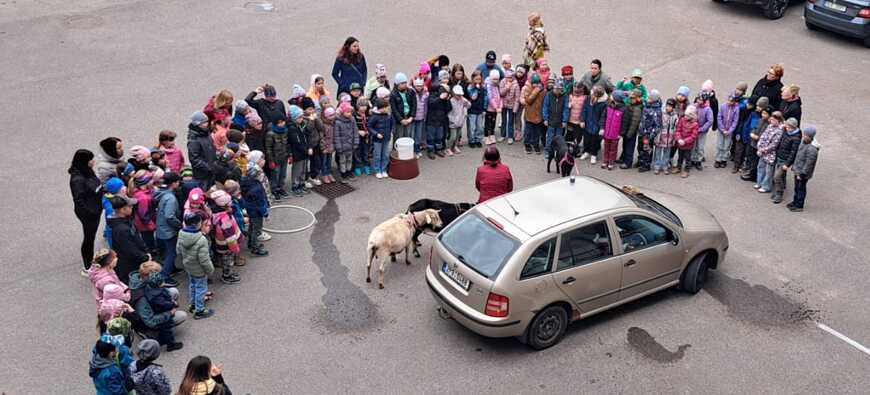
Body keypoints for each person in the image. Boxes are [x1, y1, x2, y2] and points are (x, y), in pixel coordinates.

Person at [128, 261, 185, 351]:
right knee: (180, 316)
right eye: (158, 274)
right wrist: (169, 313)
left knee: (173, 291)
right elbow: (150, 321)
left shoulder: (141, 280)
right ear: (150, 276)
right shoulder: (141, 298)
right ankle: (154, 336)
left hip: (154, 306)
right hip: (150, 320)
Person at [69, 149, 103, 273]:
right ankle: (87, 266)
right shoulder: (77, 179)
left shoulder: (87, 171)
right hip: (89, 213)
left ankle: (90, 261)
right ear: (85, 161)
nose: (93, 161)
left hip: (95, 208)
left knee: (90, 236)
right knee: (89, 238)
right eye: (91, 160)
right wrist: (91, 212)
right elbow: (78, 200)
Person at [177, 213, 215, 319]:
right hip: (199, 269)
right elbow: (204, 260)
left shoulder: (181, 234)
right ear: (198, 224)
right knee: (201, 289)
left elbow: (178, 250)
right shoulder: (201, 239)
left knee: (192, 285)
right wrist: (210, 270)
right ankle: (200, 310)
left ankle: (192, 305)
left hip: (188, 266)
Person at [108, 195, 149, 286]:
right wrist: (145, 257)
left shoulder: (125, 220)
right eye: (130, 206)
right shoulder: (121, 229)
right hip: (129, 266)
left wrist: (146, 251)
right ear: (122, 210)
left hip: (134, 260)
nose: (132, 207)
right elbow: (130, 249)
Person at [153, 172, 183, 286]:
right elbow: (169, 216)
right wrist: (179, 225)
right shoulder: (170, 198)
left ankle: (172, 269)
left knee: (166, 252)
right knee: (172, 253)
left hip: (161, 228)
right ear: (173, 183)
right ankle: (164, 277)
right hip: (168, 231)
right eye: (177, 182)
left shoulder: (161, 193)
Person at [788, 126, 819, 212]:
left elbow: (809, 164)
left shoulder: (812, 149)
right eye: (804, 134)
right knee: (796, 188)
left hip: (802, 174)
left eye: (806, 135)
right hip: (797, 170)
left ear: (810, 137)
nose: (804, 136)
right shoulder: (803, 142)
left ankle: (799, 205)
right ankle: (795, 201)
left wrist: (801, 174)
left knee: (801, 189)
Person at [772, 118, 802, 204]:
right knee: (781, 176)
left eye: (788, 127)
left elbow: (793, 153)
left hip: (785, 160)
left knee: (777, 176)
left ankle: (779, 193)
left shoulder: (796, 138)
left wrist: (787, 164)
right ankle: (780, 188)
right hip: (780, 156)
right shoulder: (786, 132)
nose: (786, 128)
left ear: (793, 127)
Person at [755, 111, 785, 194]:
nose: (771, 121)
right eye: (771, 119)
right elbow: (763, 136)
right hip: (763, 151)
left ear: (778, 120)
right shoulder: (770, 126)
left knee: (769, 171)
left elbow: (774, 144)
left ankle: (766, 186)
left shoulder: (780, 130)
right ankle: (759, 182)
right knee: (760, 167)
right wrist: (759, 147)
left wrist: (763, 149)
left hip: (771, 154)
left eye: (773, 120)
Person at [741, 101, 771, 182]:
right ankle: (751, 173)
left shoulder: (769, 124)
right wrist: (752, 133)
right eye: (763, 113)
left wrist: (758, 137)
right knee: (752, 159)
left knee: (757, 162)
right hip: (753, 143)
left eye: (765, 114)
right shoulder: (760, 120)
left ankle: (754, 176)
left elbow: (767, 135)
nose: (763, 115)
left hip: (760, 145)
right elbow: (755, 128)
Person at [187, 111, 217, 189]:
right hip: (202, 176)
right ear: (197, 124)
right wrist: (209, 168)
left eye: (206, 121)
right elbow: (194, 159)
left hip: (211, 172)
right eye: (204, 122)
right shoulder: (193, 140)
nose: (207, 124)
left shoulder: (206, 133)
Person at [580, 86, 607, 164]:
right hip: (588, 123)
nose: (591, 95)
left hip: (596, 125)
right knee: (586, 139)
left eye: (594, 95)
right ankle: (586, 152)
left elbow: (603, 117)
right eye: (592, 94)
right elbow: (584, 109)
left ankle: (594, 155)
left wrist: (601, 128)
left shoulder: (603, 104)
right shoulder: (588, 99)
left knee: (595, 141)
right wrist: (582, 120)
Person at [542, 78, 569, 159]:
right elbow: (545, 107)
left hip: (560, 121)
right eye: (556, 89)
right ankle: (548, 151)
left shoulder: (565, 96)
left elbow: (566, 109)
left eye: (559, 89)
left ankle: (557, 152)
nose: (557, 91)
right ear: (553, 88)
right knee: (549, 137)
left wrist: (564, 120)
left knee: (559, 138)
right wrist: (545, 118)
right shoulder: (549, 95)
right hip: (551, 120)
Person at [369, 97, 395, 177]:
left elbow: (392, 124)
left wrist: (391, 131)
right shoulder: (374, 116)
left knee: (385, 154)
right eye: (385, 107)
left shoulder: (389, 115)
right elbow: (369, 127)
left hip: (387, 138)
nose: (387, 109)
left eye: (387, 107)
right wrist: (376, 134)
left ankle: (383, 169)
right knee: (377, 155)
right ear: (380, 108)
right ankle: (377, 170)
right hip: (377, 140)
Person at [637, 90, 663, 173]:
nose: (647, 98)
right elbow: (642, 100)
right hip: (642, 131)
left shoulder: (657, 110)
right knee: (640, 147)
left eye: (649, 98)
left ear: (653, 100)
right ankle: (640, 161)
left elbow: (658, 126)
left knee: (647, 150)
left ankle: (646, 165)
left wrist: (650, 135)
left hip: (648, 134)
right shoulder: (647, 104)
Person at [333, 102, 359, 181]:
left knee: (350, 160)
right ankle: (343, 174)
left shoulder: (352, 119)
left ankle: (349, 172)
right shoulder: (338, 122)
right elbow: (336, 136)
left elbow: (355, 131)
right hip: (342, 147)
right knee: (342, 161)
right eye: (347, 112)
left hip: (350, 145)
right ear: (342, 112)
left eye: (350, 112)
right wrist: (339, 147)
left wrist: (355, 142)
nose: (349, 113)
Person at [265, 116, 290, 198]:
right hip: (275, 158)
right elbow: (268, 148)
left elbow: (288, 144)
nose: (282, 123)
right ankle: (274, 189)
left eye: (283, 122)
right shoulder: (270, 133)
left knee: (283, 174)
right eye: (280, 122)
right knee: (275, 174)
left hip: (284, 156)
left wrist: (289, 154)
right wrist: (271, 160)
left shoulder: (285, 131)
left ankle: (281, 188)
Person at [618, 89, 643, 169]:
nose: (630, 99)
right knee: (624, 145)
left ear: (638, 98)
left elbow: (634, 123)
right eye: (630, 98)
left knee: (629, 147)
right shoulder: (631, 104)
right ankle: (623, 158)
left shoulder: (637, 109)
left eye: (632, 98)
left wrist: (629, 134)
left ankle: (628, 162)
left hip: (631, 132)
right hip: (627, 129)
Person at [601, 90, 626, 170]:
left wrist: (621, 133)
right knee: (606, 147)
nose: (610, 97)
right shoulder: (608, 106)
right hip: (607, 132)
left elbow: (624, 123)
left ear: (616, 98)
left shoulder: (623, 109)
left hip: (615, 134)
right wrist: (602, 128)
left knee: (613, 148)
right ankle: (605, 160)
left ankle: (611, 161)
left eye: (612, 96)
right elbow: (603, 117)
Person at [521, 73, 546, 154]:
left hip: (538, 115)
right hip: (529, 115)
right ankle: (527, 144)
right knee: (528, 131)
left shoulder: (543, 91)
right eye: (534, 83)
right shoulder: (528, 89)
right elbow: (528, 100)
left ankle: (536, 144)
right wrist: (535, 91)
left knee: (537, 132)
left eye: (537, 83)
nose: (536, 85)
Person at [715, 91, 740, 168]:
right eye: (729, 100)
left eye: (732, 101)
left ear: (734, 101)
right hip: (721, 130)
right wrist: (722, 129)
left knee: (726, 146)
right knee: (719, 144)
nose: (730, 102)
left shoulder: (736, 109)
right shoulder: (723, 106)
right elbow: (719, 118)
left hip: (729, 131)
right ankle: (718, 159)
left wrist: (730, 131)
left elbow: (735, 121)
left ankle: (724, 159)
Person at [673, 105, 700, 178]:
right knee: (680, 156)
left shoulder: (695, 124)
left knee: (687, 158)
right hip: (680, 143)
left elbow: (693, 136)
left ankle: (686, 170)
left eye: (687, 116)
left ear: (692, 116)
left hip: (688, 145)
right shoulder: (682, 120)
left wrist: (685, 141)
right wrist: (679, 139)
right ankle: (678, 167)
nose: (685, 117)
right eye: (685, 115)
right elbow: (678, 130)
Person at [654, 98, 678, 174]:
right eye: (667, 106)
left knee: (667, 153)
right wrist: (656, 134)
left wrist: (674, 137)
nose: (668, 107)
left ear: (673, 108)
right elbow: (656, 124)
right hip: (660, 136)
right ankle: (657, 166)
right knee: (658, 152)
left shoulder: (675, 116)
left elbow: (676, 126)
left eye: (670, 106)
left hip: (670, 137)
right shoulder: (661, 113)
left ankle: (665, 166)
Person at [389, 72, 417, 142]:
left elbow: (414, 105)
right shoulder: (393, 94)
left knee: (408, 137)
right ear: (397, 84)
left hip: (409, 118)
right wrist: (401, 120)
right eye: (402, 83)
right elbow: (394, 109)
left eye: (405, 82)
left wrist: (411, 117)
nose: (404, 85)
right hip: (399, 120)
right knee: (399, 138)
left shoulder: (411, 92)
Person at [691, 91, 714, 171]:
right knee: (693, 146)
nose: (698, 101)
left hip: (702, 132)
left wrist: (702, 129)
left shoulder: (708, 109)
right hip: (693, 130)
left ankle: (698, 161)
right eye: (698, 99)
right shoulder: (694, 107)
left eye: (700, 99)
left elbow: (710, 121)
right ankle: (692, 159)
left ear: (704, 100)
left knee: (700, 146)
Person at [448, 85, 471, 156]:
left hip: (460, 120)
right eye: (457, 95)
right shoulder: (451, 101)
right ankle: (448, 148)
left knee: (458, 136)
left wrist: (466, 101)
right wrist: (451, 119)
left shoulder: (462, 100)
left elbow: (469, 106)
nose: (459, 96)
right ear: (454, 93)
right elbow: (448, 112)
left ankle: (455, 146)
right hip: (453, 121)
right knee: (453, 136)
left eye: (460, 95)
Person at [499, 68, 520, 144]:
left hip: (511, 106)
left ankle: (510, 136)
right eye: (507, 77)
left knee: (510, 121)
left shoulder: (516, 85)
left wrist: (515, 108)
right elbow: (501, 93)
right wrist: (506, 88)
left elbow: (517, 98)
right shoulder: (502, 82)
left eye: (511, 77)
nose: (509, 79)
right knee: (503, 121)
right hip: (504, 105)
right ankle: (503, 135)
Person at [466, 70, 487, 148]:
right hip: (472, 110)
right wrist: (476, 89)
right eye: (476, 79)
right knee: (472, 127)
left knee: (480, 127)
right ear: (473, 79)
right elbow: (473, 97)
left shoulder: (483, 87)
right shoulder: (470, 87)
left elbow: (485, 98)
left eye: (479, 79)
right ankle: (471, 140)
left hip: (480, 110)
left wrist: (484, 109)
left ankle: (478, 140)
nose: (478, 81)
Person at [484, 70, 503, 145]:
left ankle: (492, 134)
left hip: (496, 110)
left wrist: (500, 106)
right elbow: (490, 97)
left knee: (493, 122)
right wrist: (496, 107)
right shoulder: (489, 86)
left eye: (497, 79)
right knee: (488, 123)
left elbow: (500, 97)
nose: (495, 81)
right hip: (489, 109)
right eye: (494, 79)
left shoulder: (497, 85)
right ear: (491, 78)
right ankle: (486, 136)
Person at [353, 98, 372, 176]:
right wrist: (358, 131)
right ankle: (357, 166)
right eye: (362, 106)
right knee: (357, 152)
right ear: (358, 106)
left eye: (365, 106)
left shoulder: (368, 115)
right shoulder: (354, 115)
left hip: (366, 137)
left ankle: (366, 165)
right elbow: (352, 126)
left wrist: (368, 131)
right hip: (357, 137)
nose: (364, 108)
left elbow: (370, 125)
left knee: (366, 151)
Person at [411, 78, 429, 157]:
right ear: (414, 86)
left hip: (421, 118)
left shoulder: (425, 94)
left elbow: (426, 106)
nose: (419, 87)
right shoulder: (412, 92)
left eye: (421, 86)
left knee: (418, 135)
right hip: (413, 118)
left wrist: (425, 116)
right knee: (412, 135)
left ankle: (417, 150)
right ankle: (412, 151)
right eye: (417, 86)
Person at [319, 106, 337, 184]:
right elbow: (321, 137)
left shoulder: (333, 123)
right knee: (324, 162)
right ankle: (324, 174)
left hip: (331, 146)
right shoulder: (323, 125)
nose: (333, 117)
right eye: (331, 115)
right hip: (325, 147)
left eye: (333, 115)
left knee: (329, 161)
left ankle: (329, 173)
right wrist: (323, 148)